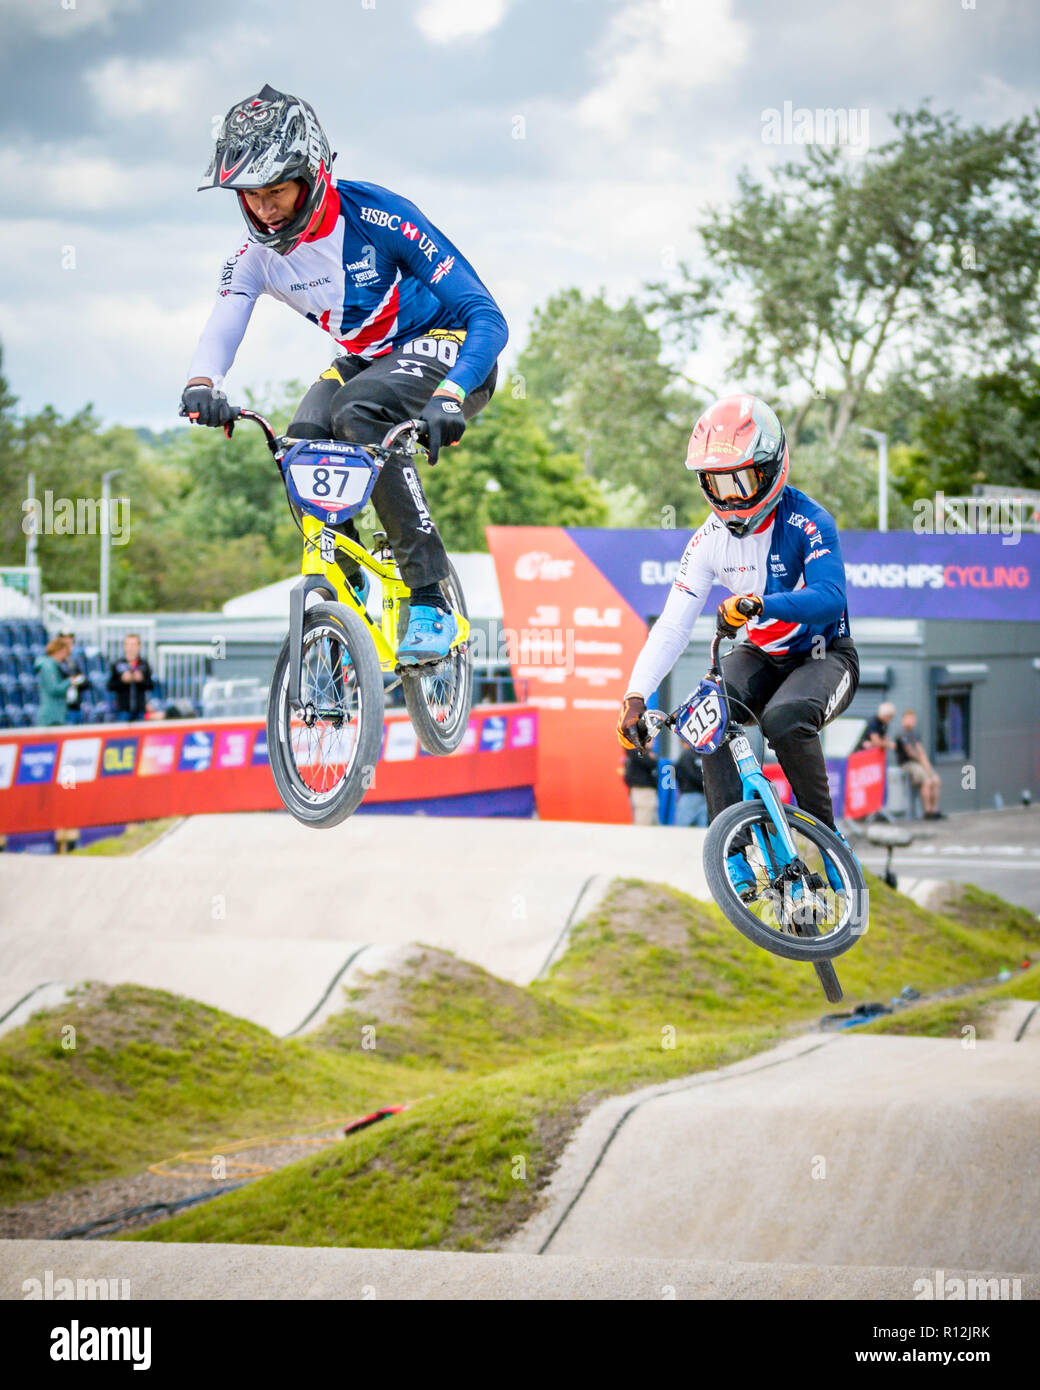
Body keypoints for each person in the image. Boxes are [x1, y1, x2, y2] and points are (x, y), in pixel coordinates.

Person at [181, 84, 508, 666]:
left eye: (276, 190)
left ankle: (429, 595)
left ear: (312, 176)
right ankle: (349, 586)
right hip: (369, 357)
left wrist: (455, 391)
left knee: (356, 411)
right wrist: (203, 383)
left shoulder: (378, 216)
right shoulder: (251, 255)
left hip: (450, 350)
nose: (263, 208)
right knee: (301, 440)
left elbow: (486, 315)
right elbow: (225, 319)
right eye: (249, 195)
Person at [616, 394, 860, 897]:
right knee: (706, 711)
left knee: (783, 720)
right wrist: (635, 697)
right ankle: (734, 849)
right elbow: (672, 626)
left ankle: (828, 839)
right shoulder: (707, 540)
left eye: (739, 480)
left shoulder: (808, 520)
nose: (728, 498)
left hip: (825, 656)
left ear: (771, 469)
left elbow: (831, 598)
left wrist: (758, 605)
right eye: (715, 483)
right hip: (761, 655)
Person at [894, 710, 944, 819]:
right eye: (909, 718)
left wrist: (927, 766)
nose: (912, 721)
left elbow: (920, 750)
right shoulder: (901, 734)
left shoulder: (915, 734)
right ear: (904, 719)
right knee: (927, 781)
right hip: (908, 764)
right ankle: (927, 811)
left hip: (919, 763)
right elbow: (910, 752)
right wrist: (922, 761)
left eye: (913, 719)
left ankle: (935, 809)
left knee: (936, 780)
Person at [107, 633, 153, 722]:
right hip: (122, 710)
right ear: (125, 646)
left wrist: (141, 679)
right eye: (128, 644)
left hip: (140, 710)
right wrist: (122, 680)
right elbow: (110, 686)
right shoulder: (117, 664)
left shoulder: (144, 664)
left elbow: (151, 685)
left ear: (138, 646)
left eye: (134, 644)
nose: (131, 647)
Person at [34, 636, 72, 726]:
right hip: (51, 716)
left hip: (56, 714)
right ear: (59, 651)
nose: (66, 655)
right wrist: (69, 681)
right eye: (65, 652)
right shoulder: (48, 667)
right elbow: (54, 689)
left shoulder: (54, 666)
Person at [622, 745, 659, 825]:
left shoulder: (638, 750)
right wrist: (650, 756)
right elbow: (650, 761)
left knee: (652, 822)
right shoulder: (635, 749)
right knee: (643, 823)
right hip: (643, 790)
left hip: (646, 790)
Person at [674, 745, 708, 827]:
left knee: (702, 827)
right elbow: (688, 773)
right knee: (682, 826)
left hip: (703, 796)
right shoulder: (688, 755)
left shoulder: (703, 755)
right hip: (690, 794)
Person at [58, 632, 87, 725]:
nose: (68, 646)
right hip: (63, 708)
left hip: (76, 706)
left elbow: (86, 683)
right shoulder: (55, 663)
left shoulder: (73, 663)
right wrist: (70, 682)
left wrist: (78, 681)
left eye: (70, 643)